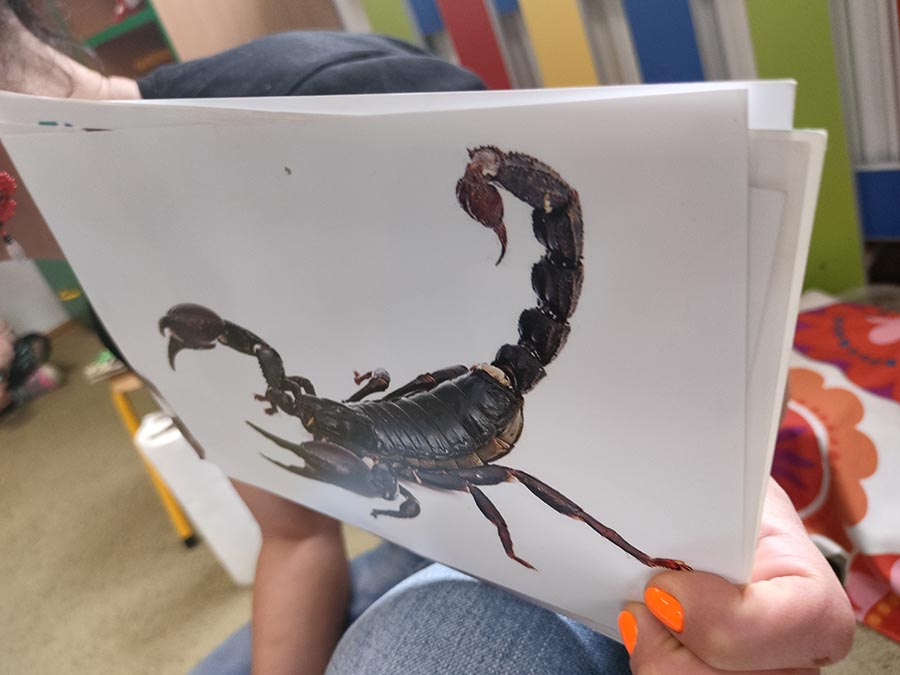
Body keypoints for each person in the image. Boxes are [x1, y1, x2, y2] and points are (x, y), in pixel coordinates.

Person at [1, 3, 856, 673]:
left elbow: (684, 319)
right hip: (413, 506)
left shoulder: (324, 94)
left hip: (512, 478)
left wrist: (727, 514)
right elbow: (296, 533)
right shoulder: (113, 274)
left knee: (407, 650)